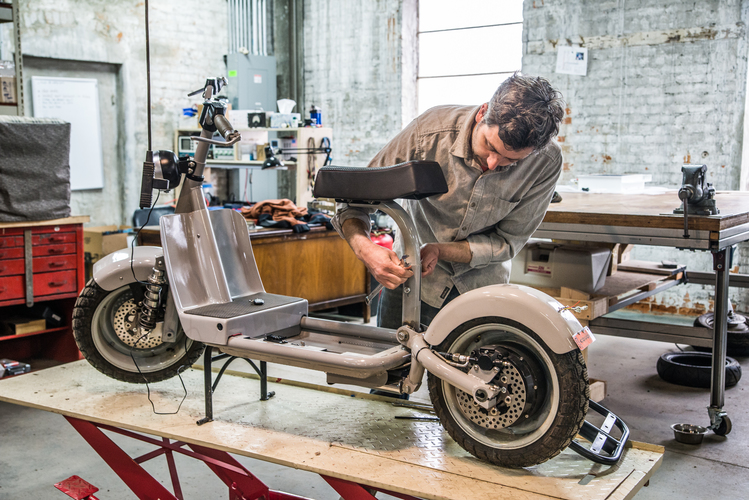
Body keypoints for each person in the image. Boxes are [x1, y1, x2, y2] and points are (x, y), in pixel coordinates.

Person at [332, 73, 565, 330]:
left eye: (511, 161)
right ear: (482, 113)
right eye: (490, 145)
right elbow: (355, 202)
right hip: (410, 282)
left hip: (481, 289)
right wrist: (366, 250)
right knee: (392, 366)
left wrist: (440, 250)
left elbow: (508, 242)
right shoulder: (427, 134)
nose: (492, 163)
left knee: (466, 370)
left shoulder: (546, 162)